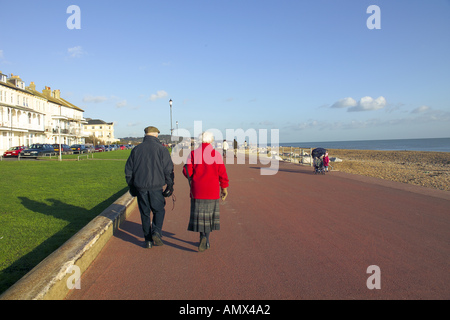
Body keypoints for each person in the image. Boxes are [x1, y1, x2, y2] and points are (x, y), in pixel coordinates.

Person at [125, 126, 174, 249]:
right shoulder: (162, 150)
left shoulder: (136, 149)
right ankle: (156, 232)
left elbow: (128, 171)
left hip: (141, 186)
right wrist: (170, 185)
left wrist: (131, 186)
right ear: (156, 135)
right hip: (156, 186)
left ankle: (148, 240)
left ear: (145, 135)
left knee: (145, 213)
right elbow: (168, 170)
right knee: (159, 210)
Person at [183, 131, 229, 252]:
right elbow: (222, 173)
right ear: (211, 141)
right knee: (208, 217)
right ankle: (206, 239)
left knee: (200, 216)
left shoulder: (193, 154)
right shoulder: (216, 154)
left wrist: (191, 173)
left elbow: (187, 171)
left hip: (197, 189)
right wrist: (224, 188)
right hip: (212, 190)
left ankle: (202, 237)